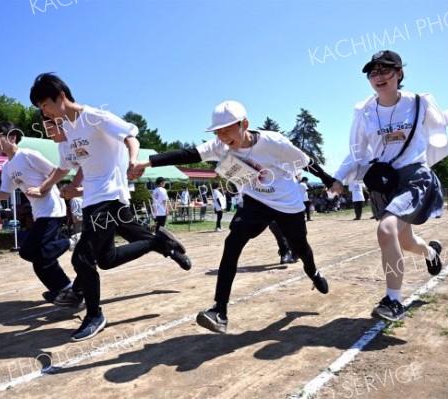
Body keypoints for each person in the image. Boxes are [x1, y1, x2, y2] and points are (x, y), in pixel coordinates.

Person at [131, 100, 336, 334]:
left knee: (300, 247)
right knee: (232, 243)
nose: (222, 136)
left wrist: (330, 180)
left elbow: (307, 162)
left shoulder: (274, 142)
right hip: (255, 202)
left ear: (244, 124)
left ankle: (313, 271)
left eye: (227, 130)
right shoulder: (220, 146)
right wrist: (148, 162)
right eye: (218, 131)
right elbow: (187, 154)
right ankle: (219, 311)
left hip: (286, 204)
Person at [331, 50, 448, 322]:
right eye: (373, 72)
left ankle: (393, 300)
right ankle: (431, 252)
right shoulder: (364, 111)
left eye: (385, 70)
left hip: (414, 175)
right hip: (384, 181)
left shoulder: (418, 103)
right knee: (404, 241)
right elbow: (356, 152)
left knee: (385, 229)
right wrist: (339, 177)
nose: (379, 77)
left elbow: (447, 117)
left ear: (399, 74)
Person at [30, 73, 191, 342]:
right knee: (106, 259)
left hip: (110, 196)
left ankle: (94, 315)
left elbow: (131, 136)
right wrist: (53, 187)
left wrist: (133, 161)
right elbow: (69, 166)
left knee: (81, 258)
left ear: (60, 96)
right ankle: (155, 242)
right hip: (94, 198)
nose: (44, 113)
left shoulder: (93, 117)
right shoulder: (67, 130)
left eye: (44, 105)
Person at [0, 121, 81, 308]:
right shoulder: (7, 167)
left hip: (52, 209)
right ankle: (66, 290)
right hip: (39, 213)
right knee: (41, 259)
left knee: (29, 251)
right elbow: (5, 194)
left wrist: (42, 189)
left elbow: (56, 172)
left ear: (12, 137)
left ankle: (72, 241)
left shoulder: (28, 155)